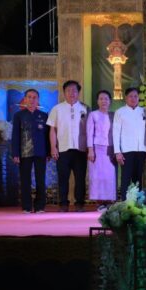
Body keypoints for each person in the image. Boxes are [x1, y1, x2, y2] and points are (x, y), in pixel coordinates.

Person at [47, 80, 88, 212]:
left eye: (74, 90)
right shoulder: (57, 109)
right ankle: (63, 204)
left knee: (80, 178)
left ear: (78, 92)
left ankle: (79, 204)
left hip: (81, 149)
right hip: (62, 149)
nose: (72, 93)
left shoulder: (85, 108)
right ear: (64, 92)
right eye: (69, 90)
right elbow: (52, 130)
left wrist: (89, 148)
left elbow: (90, 130)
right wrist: (53, 147)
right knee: (63, 178)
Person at [11, 89, 49, 213]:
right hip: (24, 152)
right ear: (25, 99)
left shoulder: (44, 115)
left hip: (40, 152)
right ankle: (26, 206)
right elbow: (15, 135)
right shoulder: (19, 115)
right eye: (29, 97)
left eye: (34, 97)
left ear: (38, 100)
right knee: (25, 180)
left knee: (40, 179)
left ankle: (40, 206)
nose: (32, 100)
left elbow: (47, 136)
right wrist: (15, 153)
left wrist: (48, 152)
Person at [113, 87, 146, 200]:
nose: (133, 98)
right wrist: (117, 151)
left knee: (138, 178)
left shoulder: (143, 111)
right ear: (126, 98)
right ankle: (125, 202)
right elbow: (116, 132)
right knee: (126, 178)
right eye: (130, 96)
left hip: (141, 150)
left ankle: (138, 203)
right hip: (126, 150)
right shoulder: (120, 112)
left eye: (135, 96)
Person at [86, 90, 117, 211]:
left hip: (110, 149)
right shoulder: (93, 115)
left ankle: (109, 201)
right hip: (97, 149)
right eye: (101, 99)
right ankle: (99, 202)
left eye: (106, 99)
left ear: (110, 101)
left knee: (109, 176)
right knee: (97, 176)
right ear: (97, 101)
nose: (104, 101)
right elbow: (89, 133)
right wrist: (90, 150)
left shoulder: (113, 115)